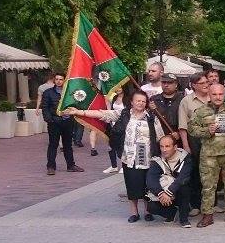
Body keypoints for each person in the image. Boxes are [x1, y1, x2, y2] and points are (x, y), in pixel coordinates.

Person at [66, 90, 165, 223]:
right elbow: (103, 114)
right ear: (132, 102)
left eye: (143, 101)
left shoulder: (152, 117)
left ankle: (148, 211)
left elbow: (161, 137)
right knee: (132, 186)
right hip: (129, 157)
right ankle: (134, 212)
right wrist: (79, 112)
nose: (140, 103)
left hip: (148, 157)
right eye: (138, 101)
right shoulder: (123, 114)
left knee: (147, 186)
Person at [188, 83, 225, 227]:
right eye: (214, 94)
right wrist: (207, 130)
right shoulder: (201, 111)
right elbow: (191, 129)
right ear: (209, 94)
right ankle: (207, 215)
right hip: (209, 155)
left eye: (221, 94)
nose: (218, 97)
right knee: (208, 186)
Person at [178, 72, 210, 216]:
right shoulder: (186, 101)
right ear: (194, 85)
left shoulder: (214, 97)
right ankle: (196, 204)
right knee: (196, 173)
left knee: (212, 172)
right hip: (194, 140)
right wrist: (186, 145)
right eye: (202, 83)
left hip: (213, 140)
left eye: (206, 82)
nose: (205, 85)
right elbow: (183, 125)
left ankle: (212, 204)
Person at [41, 73, 84, 175]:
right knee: (53, 145)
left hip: (68, 122)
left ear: (64, 80)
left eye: (61, 79)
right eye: (57, 79)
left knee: (68, 145)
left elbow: (76, 105)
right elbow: (45, 107)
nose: (59, 81)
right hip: (54, 122)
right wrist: (49, 120)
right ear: (54, 80)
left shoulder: (70, 93)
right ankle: (51, 167)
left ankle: (71, 165)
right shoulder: (48, 93)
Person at [146, 135, 194, 227]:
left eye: (167, 146)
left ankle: (184, 218)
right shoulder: (157, 160)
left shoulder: (185, 158)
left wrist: (169, 192)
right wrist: (160, 193)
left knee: (184, 187)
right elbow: (151, 179)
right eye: (162, 146)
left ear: (175, 147)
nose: (164, 150)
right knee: (151, 207)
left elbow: (183, 177)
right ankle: (172, 214)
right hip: (165, 193)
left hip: (179, 191)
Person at [149, 73, 183, 145]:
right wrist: (150, 110)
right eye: (164, 82)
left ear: (176, 84)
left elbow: (188, 121)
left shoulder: (183, 99)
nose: (166, 85)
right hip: (158, 139)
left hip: (177, 140)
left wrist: (179, 133)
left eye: (170, 83)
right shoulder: (153, 99)